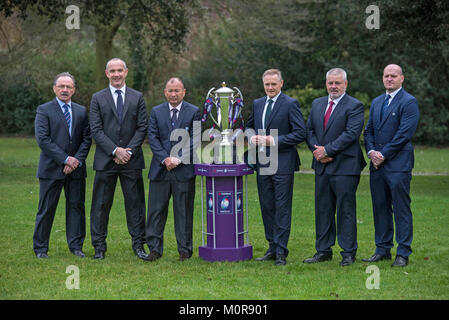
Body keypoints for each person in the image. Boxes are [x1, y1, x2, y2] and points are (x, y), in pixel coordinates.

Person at [304, 68, 366, 266]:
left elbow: (351, 134)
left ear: (345, 84)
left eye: (338, 83)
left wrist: (327, 151)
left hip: (345, 166)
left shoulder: (355, 106)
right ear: (326, 84)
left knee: (345, 209)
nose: (333, 86)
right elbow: (309, 130)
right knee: (323, 209)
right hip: (321, 166)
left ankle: (348, 252)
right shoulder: (317, 104)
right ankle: (323, 250)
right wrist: (317, 152)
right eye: (330, 83)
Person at [89, 58, 149, 260]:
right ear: (107, 73)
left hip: (131, 161)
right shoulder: (97, 98)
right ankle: (99, 247)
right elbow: (96, 130)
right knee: (101, 205)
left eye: (119, 70)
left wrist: (128, 151)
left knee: (135, 205)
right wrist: (115, 151)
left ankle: (139, 245)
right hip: (106, 161)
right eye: (112, 71)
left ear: (126, 72)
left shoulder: (137, 97)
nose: (116, 74)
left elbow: (142, 127)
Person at [246, 69, 306, 266]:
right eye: (267, 85)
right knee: (267, 206)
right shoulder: (257, 104)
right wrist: (250, 136)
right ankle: (272, 246)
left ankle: (281, 250)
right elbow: (248, 127)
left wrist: (273, 140)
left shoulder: (290, 104)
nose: (270, 88)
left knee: (282, 207)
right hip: (263, 162)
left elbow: (300, 133)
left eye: (273, 84)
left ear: (281, 83)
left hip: (283, 162)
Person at [363, 64, 419, 267]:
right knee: (380, 207)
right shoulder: (378, 101)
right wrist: (371, 152)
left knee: (401, 208)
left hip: (398, 165)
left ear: (402, 78)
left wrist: (383, 154)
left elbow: (404, 134)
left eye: (393, 76)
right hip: (377, 166)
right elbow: (368, 131)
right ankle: (382, 249)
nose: (389, 79)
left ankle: (403, 252)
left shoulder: (409, 102)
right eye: (386, 76)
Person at [33, 72, 91, 258]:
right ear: (54, 88)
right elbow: (43, 140)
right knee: (46, 209)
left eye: (69, 87)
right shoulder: (44, 110)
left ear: (74, 90)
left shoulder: (82, 111)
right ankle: (41, 248)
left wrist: (76, 161)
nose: (65, 90)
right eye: (61, 86)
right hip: (51, 169)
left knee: (76, 208)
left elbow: (86, 139)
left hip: (76, 171)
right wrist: (66, 159)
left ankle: (76, 247)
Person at [145, 77, 201, 261]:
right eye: (170, 90)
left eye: (177, 90)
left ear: (184, 92)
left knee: (183, 212)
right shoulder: (156, 111)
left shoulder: (194, 111)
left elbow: (195, 138)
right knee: (155, 211)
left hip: (183, 171)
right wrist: (165, 159)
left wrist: (178, 158)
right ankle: (154, 250)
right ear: (165, 92)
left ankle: (184, 250)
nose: (173, 94)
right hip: (160, 170)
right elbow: (152, 137)